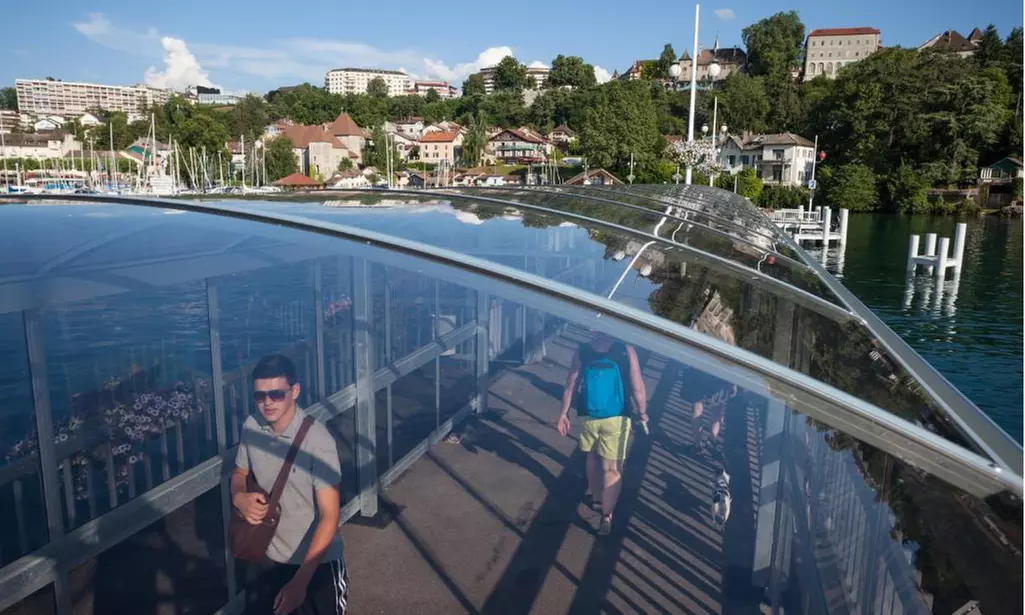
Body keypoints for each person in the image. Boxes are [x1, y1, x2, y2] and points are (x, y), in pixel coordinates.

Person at [232, 354, 349, 615]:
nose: (267, 403)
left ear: (295, 391)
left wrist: (300, 583)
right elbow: (239, 472)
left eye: (276, 394)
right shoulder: (251, 426)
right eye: (259, 396)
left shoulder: (318, 442)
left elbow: (330, 516)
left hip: (315, 567)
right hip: (266, 557)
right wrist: (239, 497)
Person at [557, 334, 647, 536]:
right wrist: (642, 413)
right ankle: (606, 515)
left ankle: (596, 497)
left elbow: (570, 383)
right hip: (617, 417)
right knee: (612, 468)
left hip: (589, 415)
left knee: (592, 457)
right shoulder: (626, 350)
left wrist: (564, 413)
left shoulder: (583, 349)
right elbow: (637, 386)